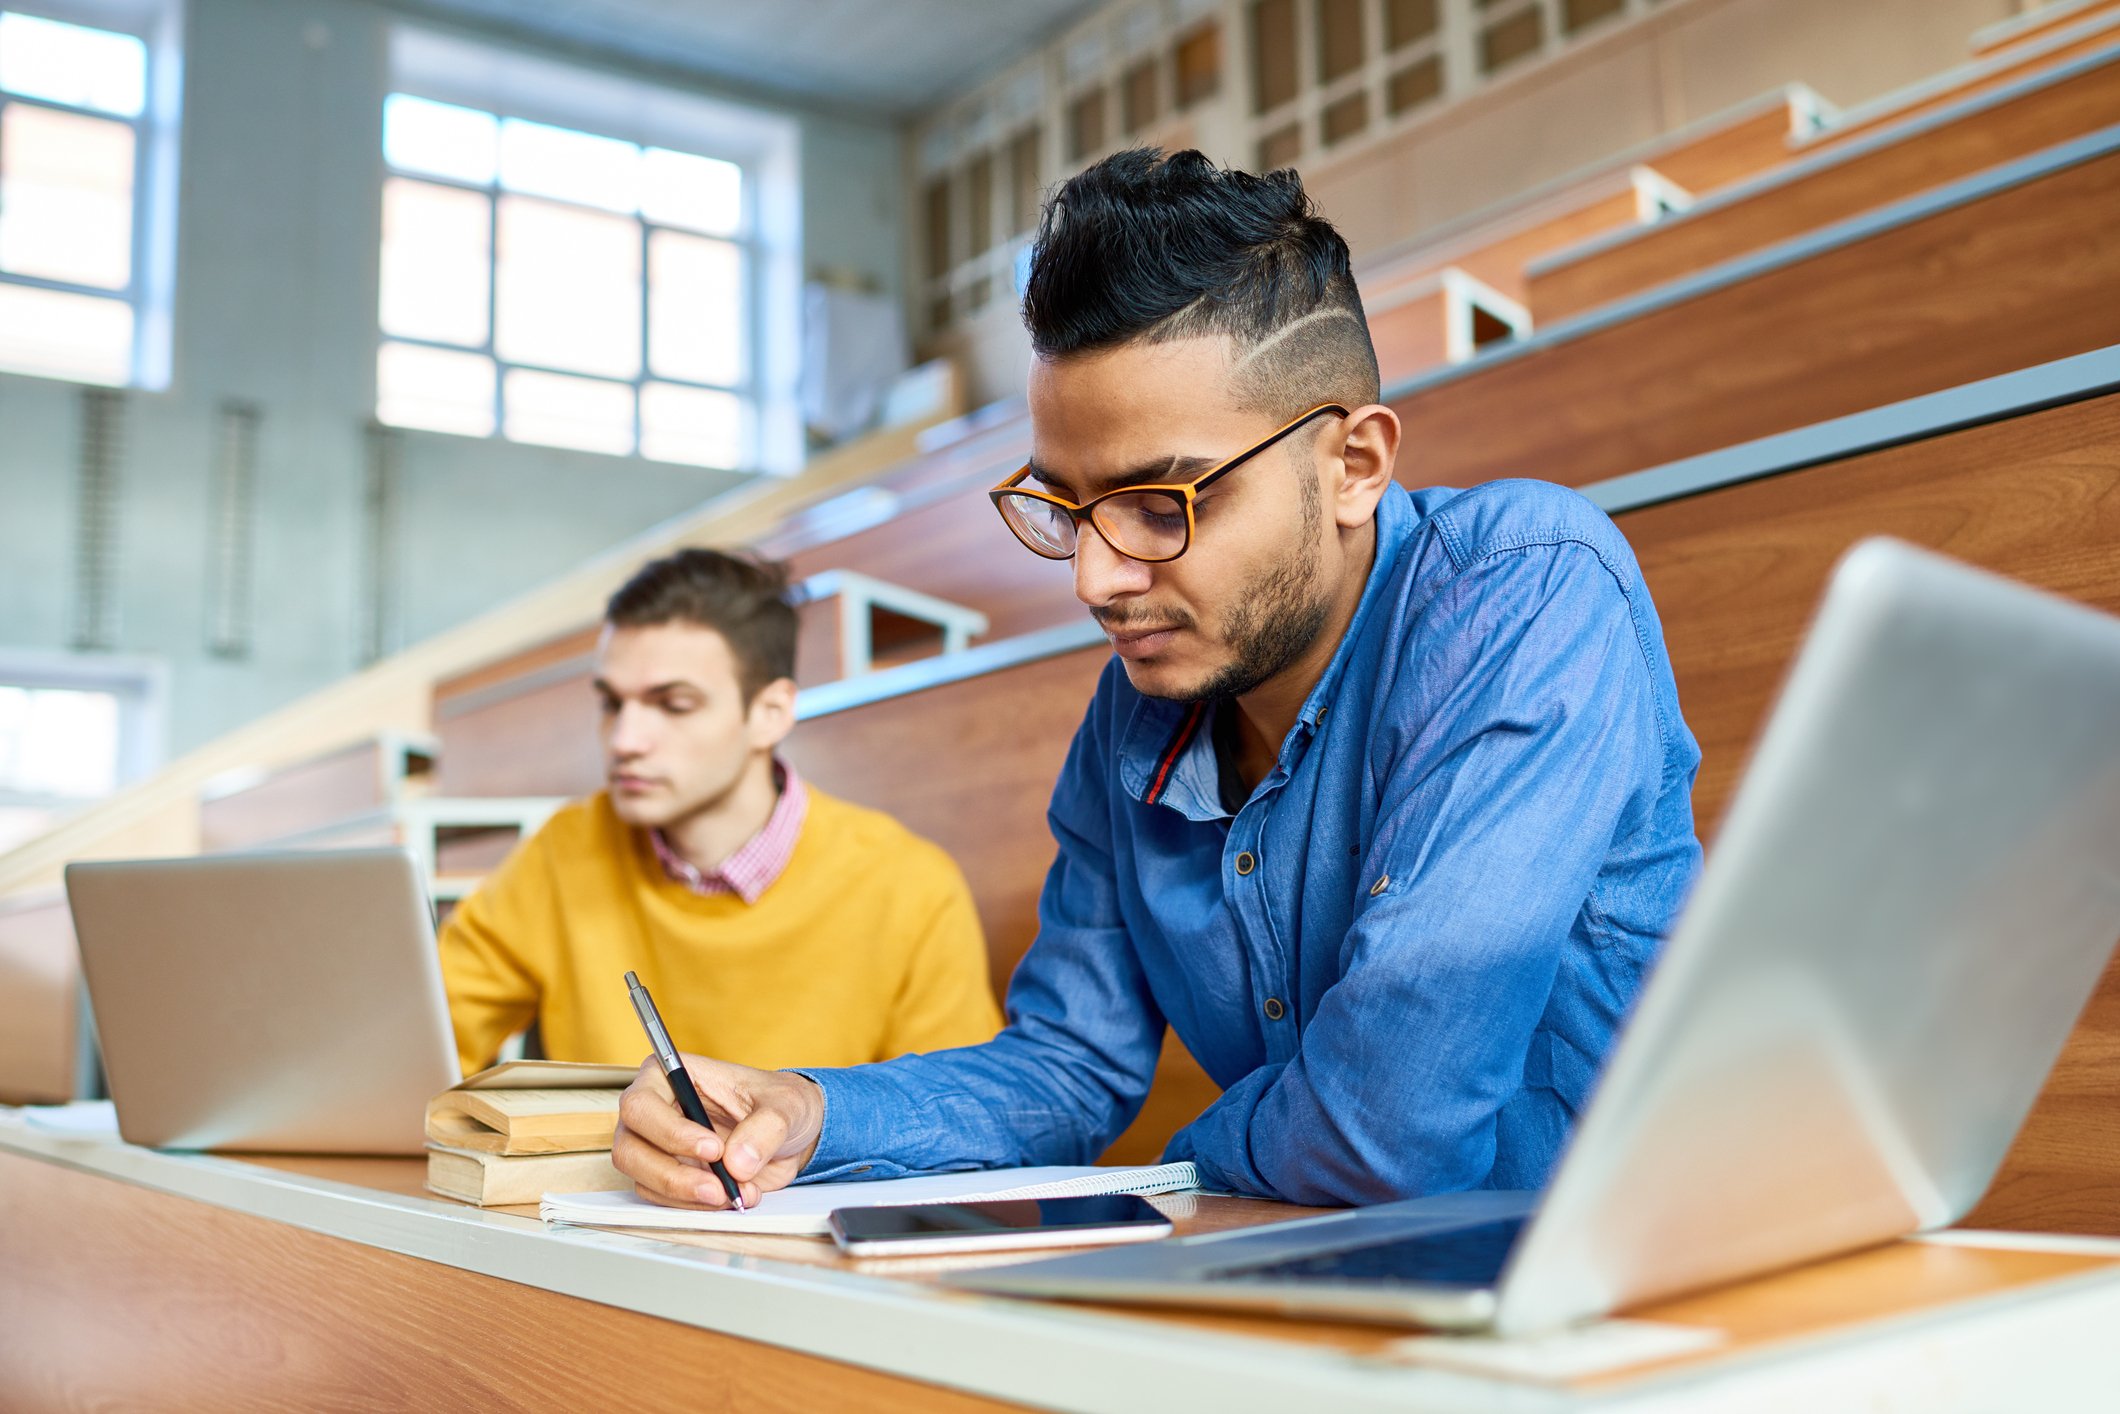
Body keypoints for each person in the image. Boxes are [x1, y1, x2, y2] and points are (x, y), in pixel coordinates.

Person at [611, 149, 1702, 1210]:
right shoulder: (1134, 713)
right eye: (1066, 508)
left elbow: (1388, 1124)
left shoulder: (1526, 588)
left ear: (1352, 468)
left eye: (1162, 503)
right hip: (1341, 1296)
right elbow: (1068, 1066)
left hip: (1645, 1300)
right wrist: (805, 1111)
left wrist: (1181, 1160)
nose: (1095, 577)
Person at [437, 548, 1003, 1076]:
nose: (625, 739)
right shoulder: (564, 849)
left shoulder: (909, 885)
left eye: (673, 705)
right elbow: (422, 1048)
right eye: (612, 703)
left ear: (770, 713)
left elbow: (955, 1120)